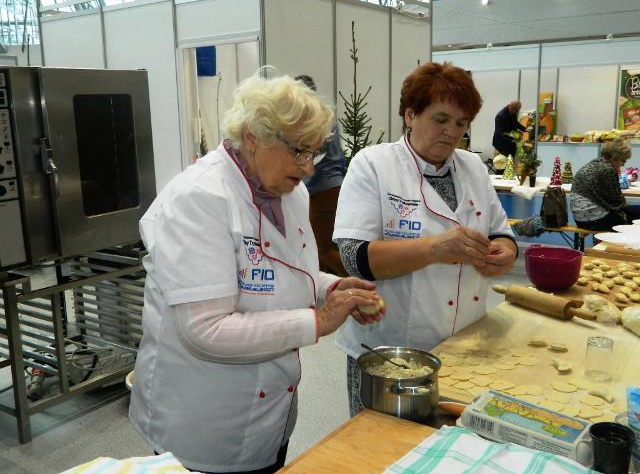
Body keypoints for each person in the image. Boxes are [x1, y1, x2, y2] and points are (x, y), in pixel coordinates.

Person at [129, 71, 383, 474]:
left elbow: (287, 271)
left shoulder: (290, 192)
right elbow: (206, 330)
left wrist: (332, 287)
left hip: (272, 413)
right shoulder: (198, 198)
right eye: (299, 151)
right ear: (253, 137)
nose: (308, 169)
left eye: (314, 153)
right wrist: (318, 321)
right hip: (205, 421)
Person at [332, 62, 518, 416]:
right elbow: (355, 258)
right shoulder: (373, 165)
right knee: (382, 446)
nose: (451, 132)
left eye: (461, 123)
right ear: (410, 115)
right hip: (391, 354)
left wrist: (504, 253)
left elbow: (500, 231)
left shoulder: (473, 168)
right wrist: (434, 248)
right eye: (441, 119)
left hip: (463, 344)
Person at [295, 74, 347, 276]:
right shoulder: (326, 115)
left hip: (322, 189)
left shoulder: (314, 119)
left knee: (322, 248)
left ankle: (358, 281)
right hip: (330, 187)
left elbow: (315, 156)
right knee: (321, 247)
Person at [571, 138, 640, 231]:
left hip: (582, 219)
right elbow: (617, 202)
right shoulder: (607, 170)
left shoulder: (595, 163)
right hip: (594, 221)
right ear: (615, 158)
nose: (623, 165)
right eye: (623, 160)